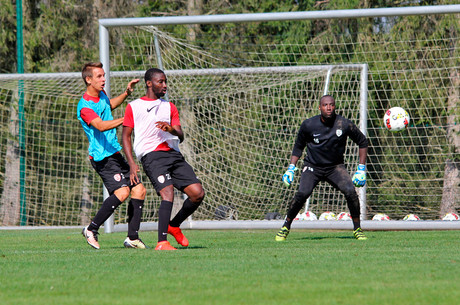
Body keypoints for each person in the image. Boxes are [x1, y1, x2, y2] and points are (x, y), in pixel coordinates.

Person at [122, 68, 205, 251]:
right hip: (151, 156)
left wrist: (171, 130)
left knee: (197, 193)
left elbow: (181, 136)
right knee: (167, 193)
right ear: (149, 83)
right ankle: (162, 242)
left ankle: (173, 226)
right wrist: (132, 164)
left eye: (165, 81)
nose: (165, 85)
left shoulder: (170, 107)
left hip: (173, 155)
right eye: (161, 81)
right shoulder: (134, 106)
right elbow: (126, 136)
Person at [276, 95, 368, 241]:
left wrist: (361, 169)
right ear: (320, 107)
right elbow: (298, 147)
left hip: (335, 168)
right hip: (313, 167)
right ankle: (285, 227)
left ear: (335, 106)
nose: (329, 108)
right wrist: (291, 168)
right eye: (325, 105)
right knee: (302, 194)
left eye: (331, 105)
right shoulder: (308, 125)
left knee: (351, 191)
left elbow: (363, 142)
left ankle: (357, 229)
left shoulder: (344, 124)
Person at [77, 62, 147, 249]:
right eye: (99, 76)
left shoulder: (101, 96)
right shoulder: (84, 107)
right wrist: (127, 119)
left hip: (114, 153)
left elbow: (109, 105)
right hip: (102, 158)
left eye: (104, 75)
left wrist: (126, 94)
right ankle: (91, 229)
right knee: (122, 192)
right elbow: (100, 125)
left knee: (139, 190)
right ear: (88, 79)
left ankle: (132, 237)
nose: (103, 79)